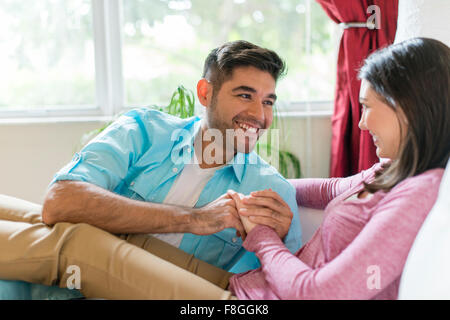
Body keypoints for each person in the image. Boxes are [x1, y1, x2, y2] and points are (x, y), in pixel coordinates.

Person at [0, 40, 302, 299]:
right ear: (205, 93)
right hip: (64, 281)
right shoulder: (144, 131)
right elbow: (59, 203)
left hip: (139, 285)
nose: (259, 115)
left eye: (268, 101)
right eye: (245, 95)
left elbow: (269, 290)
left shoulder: (273, 193)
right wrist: (196, 220)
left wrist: (274, 241)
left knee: (75, 242)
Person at [228, 37, 450, 299]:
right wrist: (255, 186)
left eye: (366, 107)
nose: (362, 124)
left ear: (407, 107)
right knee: (165, 264)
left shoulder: (420, 194)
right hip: (253, 288)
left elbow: (321, 294)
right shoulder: (392, 169)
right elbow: (329, 189)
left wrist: (261, 235)